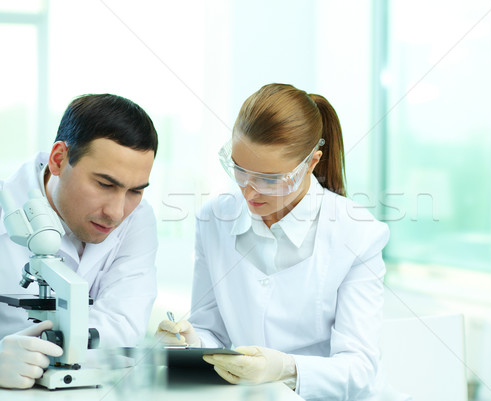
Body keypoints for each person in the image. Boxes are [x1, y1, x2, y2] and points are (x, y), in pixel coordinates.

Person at [156, 83, 389, 400]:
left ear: (311, 162)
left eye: (269, 179)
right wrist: (190, 342)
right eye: (240, 170)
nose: (249, 192)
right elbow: (212, 331)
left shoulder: (358, 233)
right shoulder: (213, 221)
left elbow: (358, 370)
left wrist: (285, 368)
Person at [0, 94, 159, 389]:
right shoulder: (6, 205)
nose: (116, 212)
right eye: (105, 184)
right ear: (59, 159)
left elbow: (124, 325)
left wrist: (49, 353)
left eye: (135, 191)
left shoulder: (138, 218)